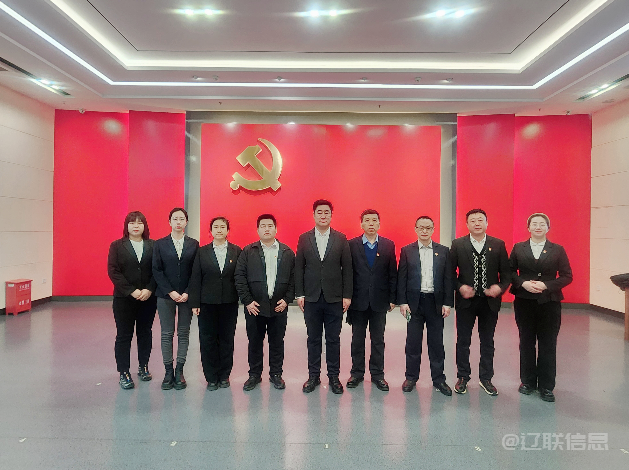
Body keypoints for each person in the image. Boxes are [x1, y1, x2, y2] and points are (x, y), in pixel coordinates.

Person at [509, 213, 573, 402]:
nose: (538, 227)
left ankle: (546, 386)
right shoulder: (518, 248)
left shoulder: (558, 249)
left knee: (548, 343)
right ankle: (527, 382)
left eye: (542, 224)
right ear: (528, 227)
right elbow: (509, 272)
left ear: (548, 228)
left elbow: (567, 276)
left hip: (549, 302)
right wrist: (522, 283)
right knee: (526, 342)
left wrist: (547, 285)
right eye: (534, 224)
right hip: (524, 301)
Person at [450, 209, 511, 396]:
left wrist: (499, 288)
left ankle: (486, 378)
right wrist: (460, 287)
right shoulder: (458, 244)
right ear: (467, 224)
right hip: (465, 302)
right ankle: (463, 377)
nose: (477, 223)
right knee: (463, 341)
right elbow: (449, 273)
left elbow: (506, 274)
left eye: (480, 220)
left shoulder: (498, 245)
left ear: (486, 223)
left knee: (487, 341)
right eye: (473, 220)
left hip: (489, 302)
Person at [295, 199, 353, 394]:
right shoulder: (304, 238)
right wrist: (300, 293)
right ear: (313, 215)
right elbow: (299, 268)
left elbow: (347, 269)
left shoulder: (341, 238)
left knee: (333, 339)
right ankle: (313, 376)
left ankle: (334, 377)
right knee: (313, 338)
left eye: (326, 212)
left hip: (334, 298)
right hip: (311, 298)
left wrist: (347, 295)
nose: (323, 215)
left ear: (331, 215)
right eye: (319, 212)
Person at [234, 214, 295, 391]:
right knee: (254, 342)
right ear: (258, 229)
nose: (267, 229)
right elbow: (239, 277)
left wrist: (287, 299)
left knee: (277, 342)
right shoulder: (248, 251)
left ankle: (276, 374)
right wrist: (247, 301)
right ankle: (254, 374)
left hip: (279, 306)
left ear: (276, 229)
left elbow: (294, 278)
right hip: (255, 307)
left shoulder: (287, 252)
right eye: (263, 226)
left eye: (270, 225)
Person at [398, 216, 454, 396]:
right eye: (421, 227)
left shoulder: (443, 251)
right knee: (413, 342)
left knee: (436, 343)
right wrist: (403, 302)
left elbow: (448, 278)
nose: (424, 231)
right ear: (415, 229)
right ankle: (411, 377)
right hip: (414, 304)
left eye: (428, 228)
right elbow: (402, 278)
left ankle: (439, 379)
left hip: (435, 303)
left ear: (433, 229)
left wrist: (447, 303)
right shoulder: (407, 251)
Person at [346, 209, 396, 392]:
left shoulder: (388, 245)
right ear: (361, 224)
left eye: (374, 220)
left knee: (378, 340)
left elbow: (392, 274)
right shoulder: (351, 245)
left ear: (379, 223)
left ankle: (377, 375)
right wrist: (347, 297)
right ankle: (356, 373)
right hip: (358, 301)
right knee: (357, 339)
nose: (371, 223)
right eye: (367, 220)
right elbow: (348, 274)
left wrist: (393, 298)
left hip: (379, 301)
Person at [189, 217, 242, 391]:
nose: (219, 230)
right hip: (207, 303)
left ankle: (224, 375)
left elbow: (240, 276)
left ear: (228, 230)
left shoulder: (236, 251)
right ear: (210, 231)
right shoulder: (202, 252)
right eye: (216, 227)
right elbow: (195, 277)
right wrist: (195, 302)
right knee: (207, 340)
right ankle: (211, 377)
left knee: (227, 339)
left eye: (222, 227)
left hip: (229, 303)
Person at [107, 211, 157, 390]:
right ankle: (124, 372)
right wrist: (131, 291)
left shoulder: (153, 245)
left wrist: (149, 288)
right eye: (132, 223)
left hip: (148, 298)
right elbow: (113, 271)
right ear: (126, 226)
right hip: (124, 299)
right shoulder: (117, 246)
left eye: (139, 223)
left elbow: (158, 270)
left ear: (145, 226)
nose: (136, 226)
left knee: (145, 333)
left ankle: (143, 366)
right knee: (124, 335)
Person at [152, 208, 199, 390]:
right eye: (175, 219)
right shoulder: (159, 244)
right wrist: (170, 291)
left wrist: (188, 292)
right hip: (165, 295)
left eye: (181, 219)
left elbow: (196, 271)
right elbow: (157, 270)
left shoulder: (193, 244)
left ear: (186, 222)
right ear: (169, 222)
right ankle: (168, 372)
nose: (178, 222)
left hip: (187, 295)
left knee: (183, 332)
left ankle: (179, 370)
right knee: (167, 333)